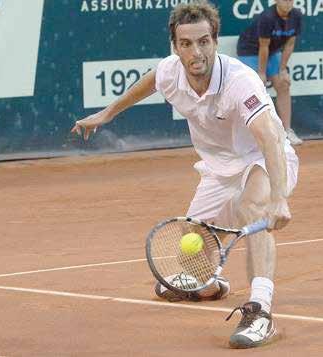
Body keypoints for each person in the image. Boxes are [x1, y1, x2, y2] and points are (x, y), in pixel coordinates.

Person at [71, 1, 298, 349]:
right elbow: (150, 81)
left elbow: (269, 136)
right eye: (187, 44)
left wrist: (278, 197)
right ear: (175, 47)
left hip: (263, 158)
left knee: (254, 206)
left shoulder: (240, 81)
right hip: (218, 170)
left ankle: (260, 312)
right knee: (193, 250)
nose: (196, 52)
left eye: (204, 41)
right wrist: (107, 113)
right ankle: (209, 285)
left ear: (215, 41)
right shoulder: (170, 71)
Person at [237, 0, 303, 146]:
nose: (288, 3)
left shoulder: (296, 16)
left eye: (290, 0)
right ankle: (254, 137)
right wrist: (261, 73)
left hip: (272, 52)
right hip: (249, 50)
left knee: (283, 84)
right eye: (284, 0)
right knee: (254, 90)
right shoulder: (267, 17)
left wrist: (283, 69)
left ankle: (286, 132)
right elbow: (263, 46)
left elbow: (290, 44)